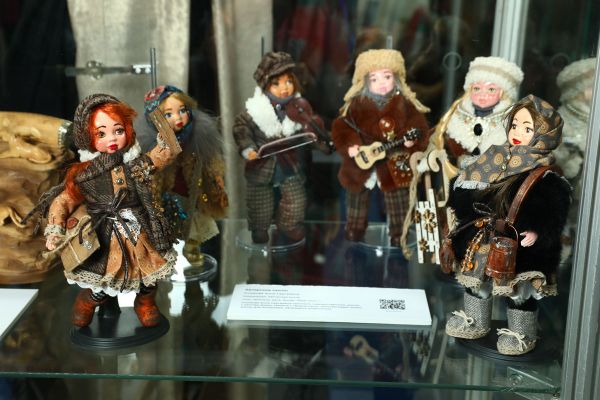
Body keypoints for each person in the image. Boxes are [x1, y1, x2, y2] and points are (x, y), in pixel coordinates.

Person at [32, 94, 178, 328]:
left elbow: (160, 157)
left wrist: (164, 134)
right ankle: (89, 301)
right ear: (87, 137)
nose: (111, 139)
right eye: (101, 134)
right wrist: (55, 229)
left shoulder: (135, 165)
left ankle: (145, 303)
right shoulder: (85, 175)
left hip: (138, 229)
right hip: (104, 235)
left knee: (149, 273)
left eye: (118, 131)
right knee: (102, 280)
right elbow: (64, 201)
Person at [444, 95, 571, 355]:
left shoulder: (545, 173)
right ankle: (476, 320)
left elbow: (554, 208)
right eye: (514, 125)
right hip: (483, 236)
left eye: (527, 128)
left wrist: (537, 230)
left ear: (544, 135)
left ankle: (521, 332)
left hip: (517, 243)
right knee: (477, 281)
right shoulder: (493, 157)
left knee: (518, 290)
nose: (517, 133)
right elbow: (464, 190)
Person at [331, 48, 430, 247]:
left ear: (397, 78)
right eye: (374, 79)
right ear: (365, 82)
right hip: (362, 161)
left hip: (395, 160)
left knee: (398, 200)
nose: (382, 83)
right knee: (356, 198)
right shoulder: (356, 105)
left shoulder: (405, 104)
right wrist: (351, 145)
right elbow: (341, 128)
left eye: (387, 77)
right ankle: (354, 229)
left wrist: (412, 142)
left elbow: (419, 127)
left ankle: (398, 234)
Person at [233, 51, 331, 244]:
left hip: (289, 164)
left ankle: (288, 224)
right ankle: (260, 229)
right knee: (260, 202)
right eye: (276, 84)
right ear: (265, 86)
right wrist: (249, 149)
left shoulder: (300, 108)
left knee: (296, 199)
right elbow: (241, 129)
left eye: (288, 82)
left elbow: (310, 132)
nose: (284, 88)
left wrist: (322, 143)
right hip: (261, 166)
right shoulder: (254, 110)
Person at [143, 85, 228, 261]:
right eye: (168, 114)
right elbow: (150, 175)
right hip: (169, 193)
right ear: (156, 120)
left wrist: (217, 178)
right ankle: (171, 255)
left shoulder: (199, 135)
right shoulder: (153, 145)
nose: (178, 117)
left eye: (182, 110)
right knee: (172, 224)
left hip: (194, 190)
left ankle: (192, 249)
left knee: (195, 223)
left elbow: (211, 161)